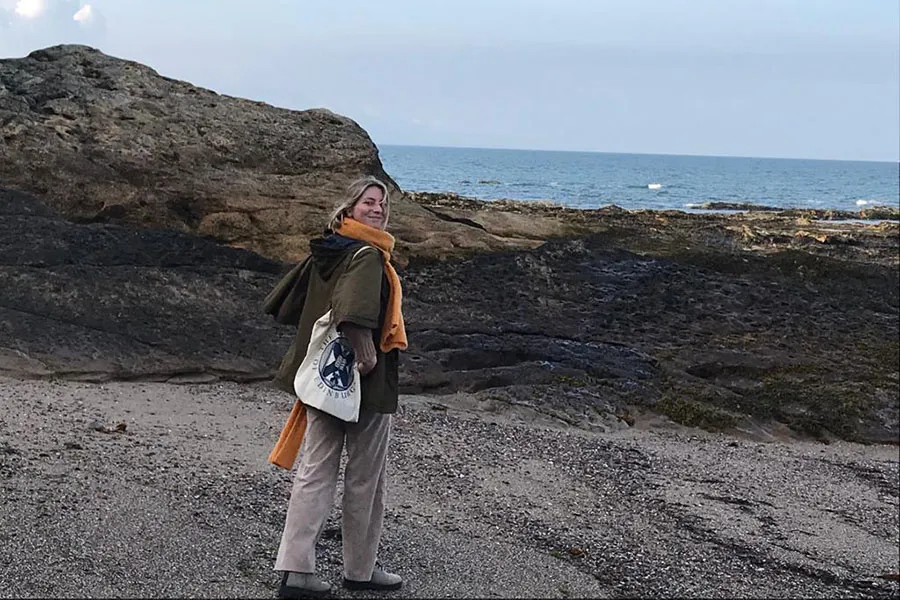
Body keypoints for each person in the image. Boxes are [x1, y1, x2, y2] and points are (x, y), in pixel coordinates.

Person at [262, 175, 407, 598]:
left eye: (382, 203)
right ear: (349, 208)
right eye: (368, 202)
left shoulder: (329, 250)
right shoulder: (367, 255)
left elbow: (288, 303)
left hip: (322, 379)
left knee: (315, 471)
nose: (377, 209)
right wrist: (366, 356)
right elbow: (353, 311)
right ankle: (359, 570)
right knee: (366, 478)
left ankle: (295, 569)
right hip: (363, 383)